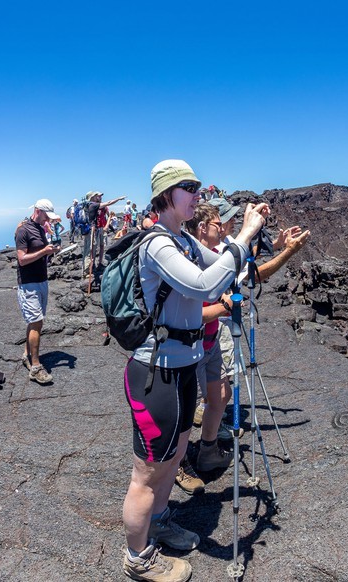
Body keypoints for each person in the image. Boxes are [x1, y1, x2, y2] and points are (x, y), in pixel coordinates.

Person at [117, 159, 265, 582]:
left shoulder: (183, 240)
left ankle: (159, 522)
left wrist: (253, 240)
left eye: (198, 186)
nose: (198, 193)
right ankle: (137, 557)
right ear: (166, 195)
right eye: (189, 186)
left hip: (183, 367)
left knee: (176, 455)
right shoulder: (157, 245)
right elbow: (203, 286)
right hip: (155, 372)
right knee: (148, 473)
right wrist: (243, 235)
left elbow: (226, 269)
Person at [173, 197, 309, 493]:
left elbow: (246, 269)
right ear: (203, 227)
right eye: (220, 222)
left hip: (210, 341)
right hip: (190, 345)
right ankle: (178, 463)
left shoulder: (217, 252)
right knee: (182, 412)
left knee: (221, 395)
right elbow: (191, 315)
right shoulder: (189, 261)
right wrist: (225, 307)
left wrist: (277, 245)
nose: (227, 225)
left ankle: (208, 450)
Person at [15, 200, 59, 384]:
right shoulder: (23, 230)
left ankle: (26, 355)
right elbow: (22, 259)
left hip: (41, 280)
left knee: (36, 322)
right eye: (46, 216)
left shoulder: (41, 228)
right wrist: (44, 252)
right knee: (36, 322)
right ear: (38, 211)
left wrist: (51, 251)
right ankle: (35, 367)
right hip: (29, 283)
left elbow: (41, 251)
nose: (47, 219)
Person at [83, 191, 129, 292]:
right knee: (90, 250)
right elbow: (109, 203)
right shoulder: (93, 205)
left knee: (92, 249)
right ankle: (87, 272)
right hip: (92, 229)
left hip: (94, 229)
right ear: (92, 197)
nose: (98, 197)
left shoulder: (89, 205)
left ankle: (91, 268)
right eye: (96, 196)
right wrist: (118, 199)